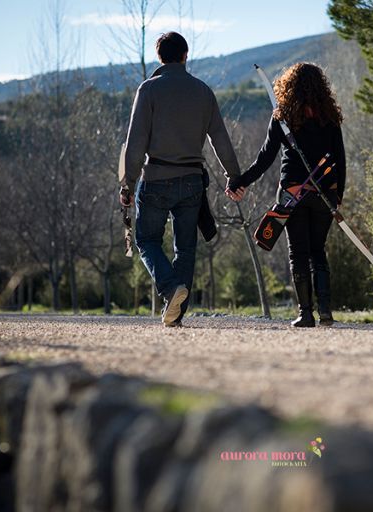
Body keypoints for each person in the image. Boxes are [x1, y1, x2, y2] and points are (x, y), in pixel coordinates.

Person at [119, 31, 242, 327]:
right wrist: (234, 176)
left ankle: (170, 289)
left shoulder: (148, 90)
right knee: (185, 248)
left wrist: (127, 183)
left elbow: (135, 143)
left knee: (146, 240)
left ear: (160, 57)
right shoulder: (203, 91)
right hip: (191, 182)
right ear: (186, 55)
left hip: (156, 178)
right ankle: (176, 314)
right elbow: (221, 140)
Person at [228, 62, 345, 328]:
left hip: (292, 194)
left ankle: (306, 314)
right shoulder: (330, 118)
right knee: (318, 251)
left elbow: (264, 160)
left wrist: (239, 181)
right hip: (325, 194)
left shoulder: (283, 117)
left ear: (289, 86)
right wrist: (339, 197)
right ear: (321, 86)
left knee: (298, 254)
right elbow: (340, 159)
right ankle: (325, 310)